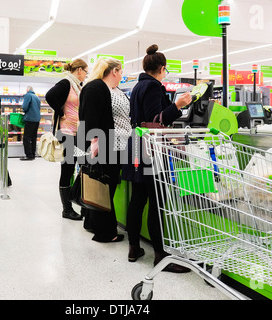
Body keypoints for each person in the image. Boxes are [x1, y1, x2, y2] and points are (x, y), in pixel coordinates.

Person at [122, 44, 192, 272]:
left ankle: (134, 247)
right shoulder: (153, 86)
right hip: (150, 147)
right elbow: (156, 119)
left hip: (136, 144)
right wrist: (178, 105)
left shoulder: (138, 86)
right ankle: (160, 256)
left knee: (137, 199)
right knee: (156, 202)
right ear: (162, 68)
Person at [77, 57, 131, 242]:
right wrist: (94, 141)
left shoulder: (112, 89)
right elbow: (89, 115)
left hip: (116, 144)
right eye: (121, 71)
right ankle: (105, 233)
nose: (122, 75)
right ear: (114, 71)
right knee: (104, 189)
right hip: (106, 146)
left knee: (101, 187)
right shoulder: (96, 87)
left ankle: (93, 224)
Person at [45, 59, 88, 221]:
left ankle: (78, 202)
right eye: (85, 71)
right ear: (78, 70)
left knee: (81, 166)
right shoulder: (66, 83)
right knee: (68, 169)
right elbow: (50, 96)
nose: (86, 74)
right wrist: (60, 111)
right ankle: (67, 209)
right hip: (66, 132)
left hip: (77, 132)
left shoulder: (77, 85)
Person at [20, 86, 41, 160]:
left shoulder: (28, 95)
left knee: (26, 138)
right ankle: (33, 154)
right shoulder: (36, 97)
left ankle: (28, 155)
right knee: (33, 137)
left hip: (30, 119)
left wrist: (23, 111)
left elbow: (25, 107)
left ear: (27, 90)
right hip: (37, 119)